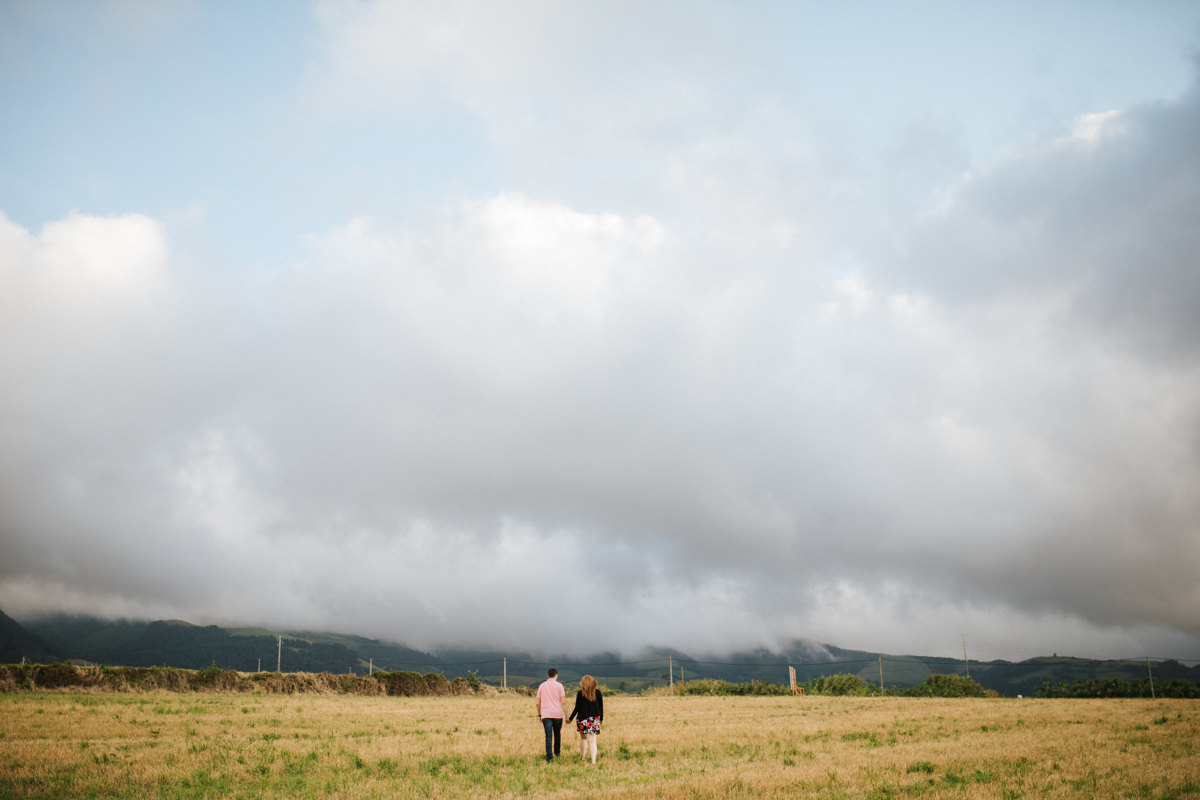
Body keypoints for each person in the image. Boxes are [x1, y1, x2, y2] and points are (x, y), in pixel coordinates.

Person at [568, 674, 604, 764]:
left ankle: (583, 757)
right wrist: (601, 718)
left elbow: (577, 707)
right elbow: (601, 707)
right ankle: (593, 761)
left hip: (583, 719)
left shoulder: (581, 693)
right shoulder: (598, 692)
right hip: (594, 719)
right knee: (592, 740)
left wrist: (570, 718)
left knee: (583, 738)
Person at [535, 667, 566, 762]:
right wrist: (567, 715)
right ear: (556, 675)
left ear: (548, 675)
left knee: (548, 736)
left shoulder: (542, 686)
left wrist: (540, 714)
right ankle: (557, 752)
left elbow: (537, 703)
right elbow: (563, 702)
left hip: (546, 714)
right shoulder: (560, 686)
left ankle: (549, 757)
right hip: (557, 714)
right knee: (557, 734)